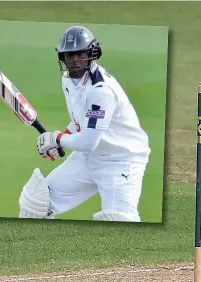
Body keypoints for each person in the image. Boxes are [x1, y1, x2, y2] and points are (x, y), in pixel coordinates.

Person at [18, 25, 151, 222]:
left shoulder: (101, 91)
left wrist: (57, 138)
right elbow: (80, 122)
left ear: (92, 53)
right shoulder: (68, 81)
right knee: (36, 205)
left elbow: (89, 141)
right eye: (69, 55)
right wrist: (60, 140)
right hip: (88, 159)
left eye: (80, 54)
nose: (74, 60)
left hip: (120, 161)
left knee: (118, 222)